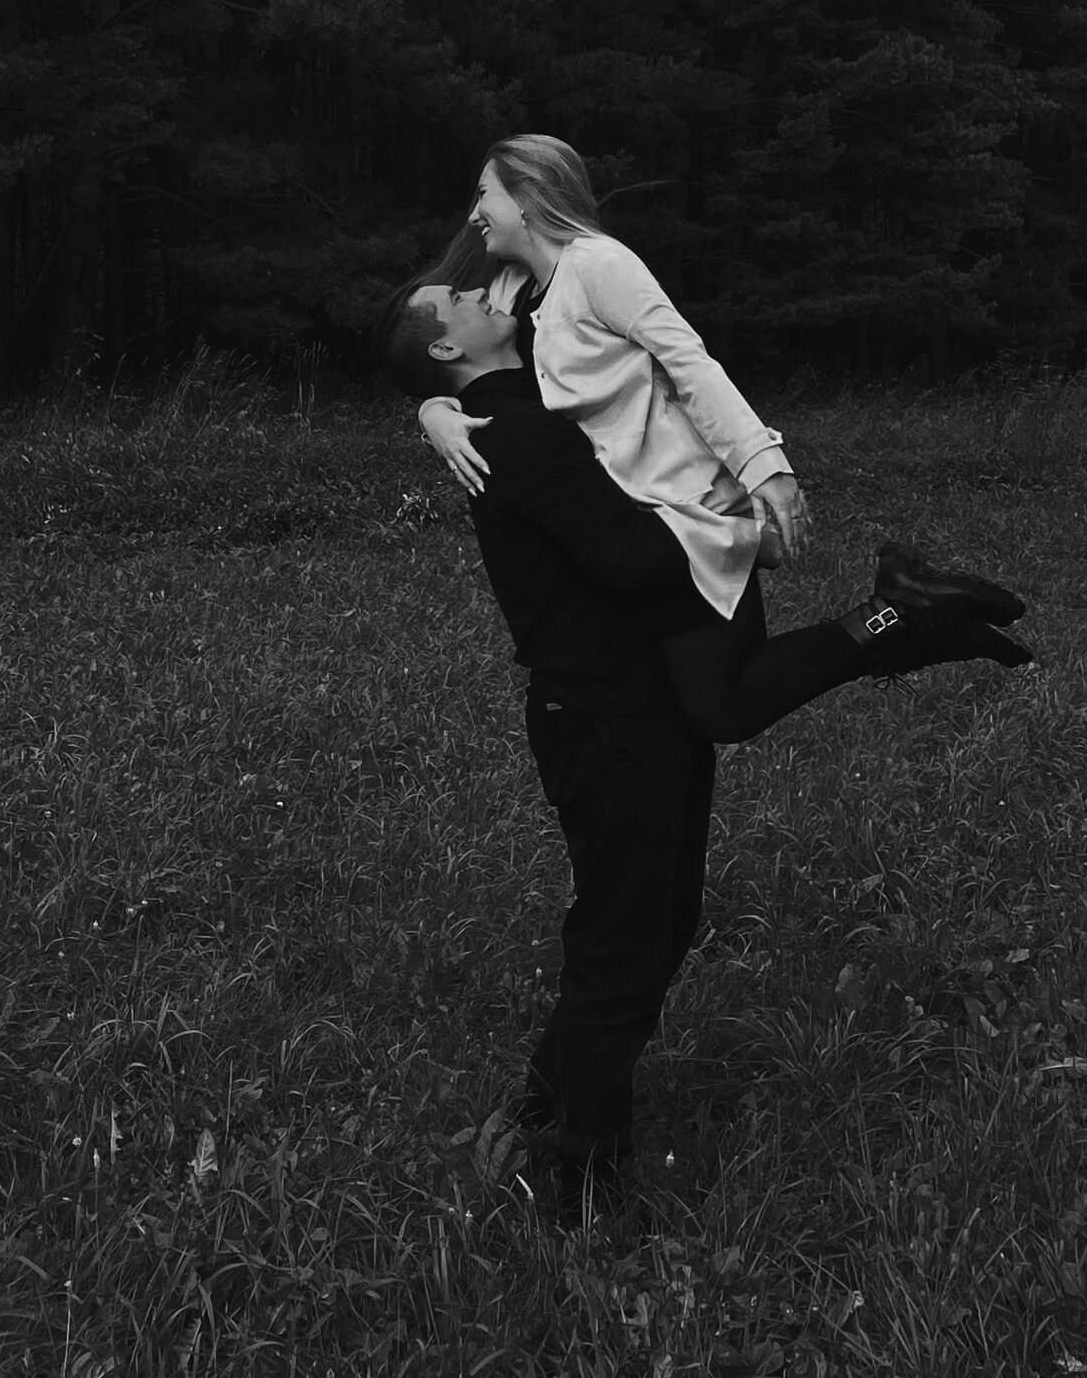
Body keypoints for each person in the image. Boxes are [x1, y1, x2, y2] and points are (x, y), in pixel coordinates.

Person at [377, 275, 1033, 1219]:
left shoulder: (531, 403)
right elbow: (632, 558)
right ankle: (587, 1182)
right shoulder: (513, 432)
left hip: (639, 710)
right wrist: (725, 517)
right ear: (446, 347)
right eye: (462, 300)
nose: (485, 292)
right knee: (624, 941)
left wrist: (431, 411)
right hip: (602, 723)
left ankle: (550, 1098)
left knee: (659, 923)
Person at [414, 134, 1027, 740]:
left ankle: (899, 612)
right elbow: (479, 370)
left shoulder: (598, 265)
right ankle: (908, 612)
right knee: (705, 703)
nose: (473, 214)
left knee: (722, 707)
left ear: (527, 195)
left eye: (484, 194)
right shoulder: (511, 292)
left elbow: (689, 363)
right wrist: (434, 410)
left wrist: (765, 466)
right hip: (635, 523)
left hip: (693, 511)